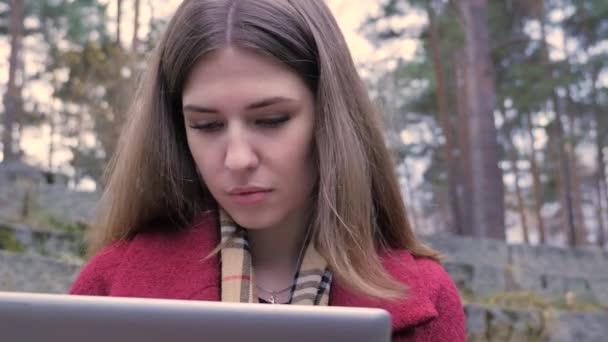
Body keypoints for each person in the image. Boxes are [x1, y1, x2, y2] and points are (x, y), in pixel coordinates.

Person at [69, 0, 466, 340]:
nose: (238, 158)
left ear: (330, 117)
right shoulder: (111, 284)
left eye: (271, 119)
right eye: (207, 126)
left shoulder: (426, 300)